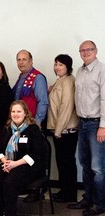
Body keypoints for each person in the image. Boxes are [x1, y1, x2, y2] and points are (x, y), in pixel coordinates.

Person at [67, 40, 105, 216]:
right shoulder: (80, 71)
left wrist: (103, 126)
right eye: (82, 50)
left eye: (89, 49)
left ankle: (100, 204)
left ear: (96, 51)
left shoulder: (102, 70)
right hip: (82, 123)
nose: (85, 52)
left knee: (98, 167)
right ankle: (88, 199)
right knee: (85, 164)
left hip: (97, 124)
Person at [0, 100, 46, 216]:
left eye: (19, 111)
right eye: (13, 111)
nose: (15, 114)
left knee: (9, 182)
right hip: (8, 163)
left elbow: (36, 154)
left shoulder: (33, 129)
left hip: (27, 166)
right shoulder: (7, 129)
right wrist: (5, 162)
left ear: (25, 113)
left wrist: (14, 164)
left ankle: (10, 213)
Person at [47, 54, 79, 203]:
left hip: (66, 131)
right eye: (56, 64)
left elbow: (66, 107)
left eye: (60, 64)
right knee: (62, 161)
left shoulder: (68, 82)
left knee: (67, 162)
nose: (57, 67)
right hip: (60, 130)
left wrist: (58, 131)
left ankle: (69, 194)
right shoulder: (61, 81)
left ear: (68, 66)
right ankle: (64, 191)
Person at [12, 50, 48, 128]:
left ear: (31, 61)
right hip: (19, 122)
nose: (21, 62)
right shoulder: (21, 77)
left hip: (31, 123)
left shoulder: (38, 77)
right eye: (19, 60)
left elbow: (43, 101)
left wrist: (37, 122)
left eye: (24, 59)